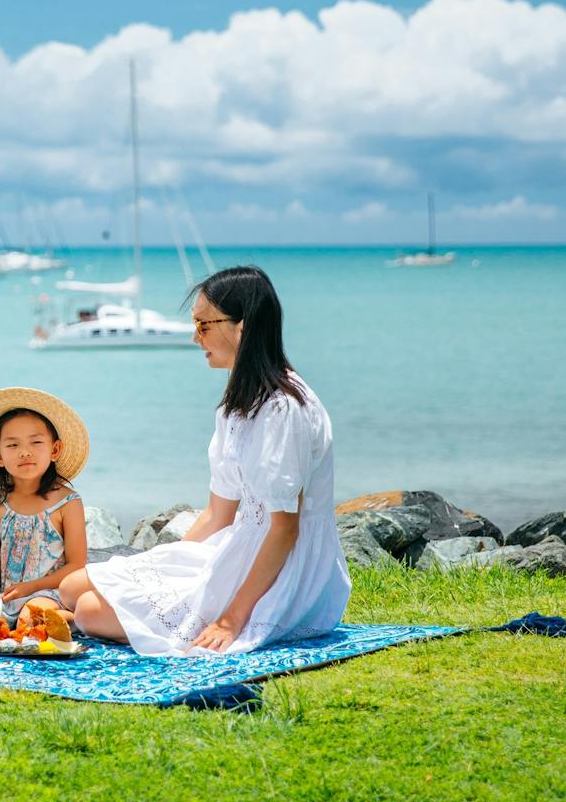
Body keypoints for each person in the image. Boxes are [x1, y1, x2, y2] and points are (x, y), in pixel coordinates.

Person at [58, 266, 349, 654]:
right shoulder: (238, 404)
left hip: (287, 570)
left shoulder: (284, 408)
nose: (196, 338)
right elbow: (218, 514)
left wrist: (230, 620)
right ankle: (76, 617)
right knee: (71, 586)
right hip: (237, 548)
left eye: (203, 325)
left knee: (92, 612)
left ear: (241, 327)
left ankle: (74, 623)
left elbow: (285, 530)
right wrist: (157, 567)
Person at [0, 388, 89, 621]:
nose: (25, 452)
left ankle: (75, 617)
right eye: (12, 445)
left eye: (36, 442)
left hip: (49, 590)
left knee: (30, 619)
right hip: (6, 592)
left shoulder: (67, 502)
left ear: (55, 449)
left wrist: (31, 587)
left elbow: (76, 565)